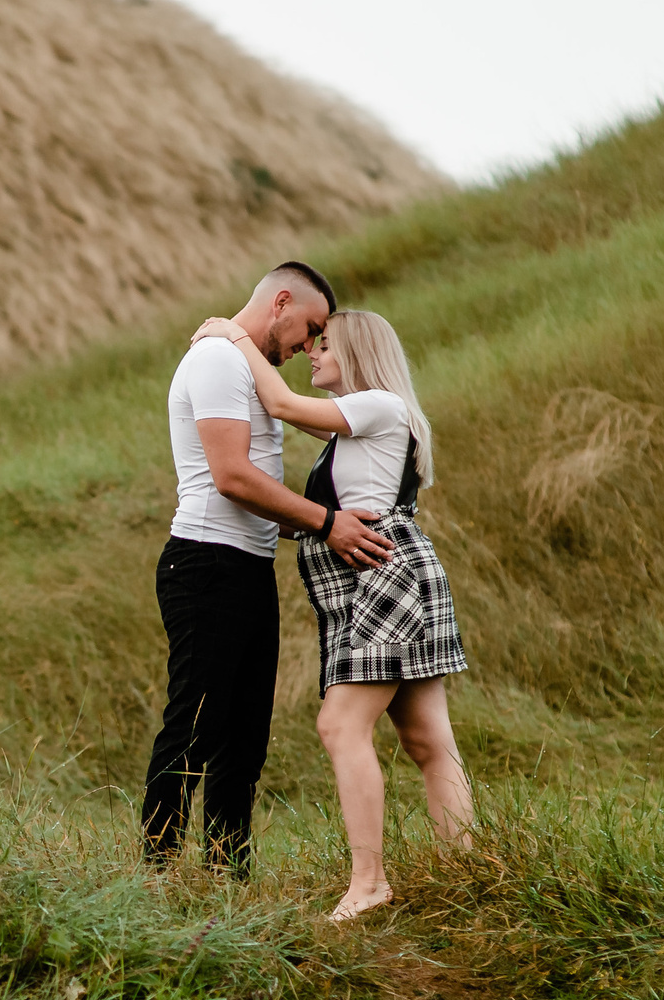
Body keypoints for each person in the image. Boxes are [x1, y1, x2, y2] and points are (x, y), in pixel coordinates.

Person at [190, 305, 472, 919]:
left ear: (360, 352)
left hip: (383, 579)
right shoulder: (361, 425)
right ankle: (470, 875)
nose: (312, 352)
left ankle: (368, 882)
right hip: (381, 578)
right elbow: (302, 433)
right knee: (428, 740)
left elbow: (284, 407)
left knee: (339, 726)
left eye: (325, 344)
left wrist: (234, 335)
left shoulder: (379, 405)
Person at [144, 263, 392, 875]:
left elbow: (258, 493)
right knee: (195, 727)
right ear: (280, 302)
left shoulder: (243, 366)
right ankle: (155, 875)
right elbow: (231, 478)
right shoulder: (217, 361)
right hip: (204, 562)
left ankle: (228, 878)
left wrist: (320, 522)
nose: (309, 346)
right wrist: (325, 523)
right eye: (309, 329)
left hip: (248, 566)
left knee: (245, 742)